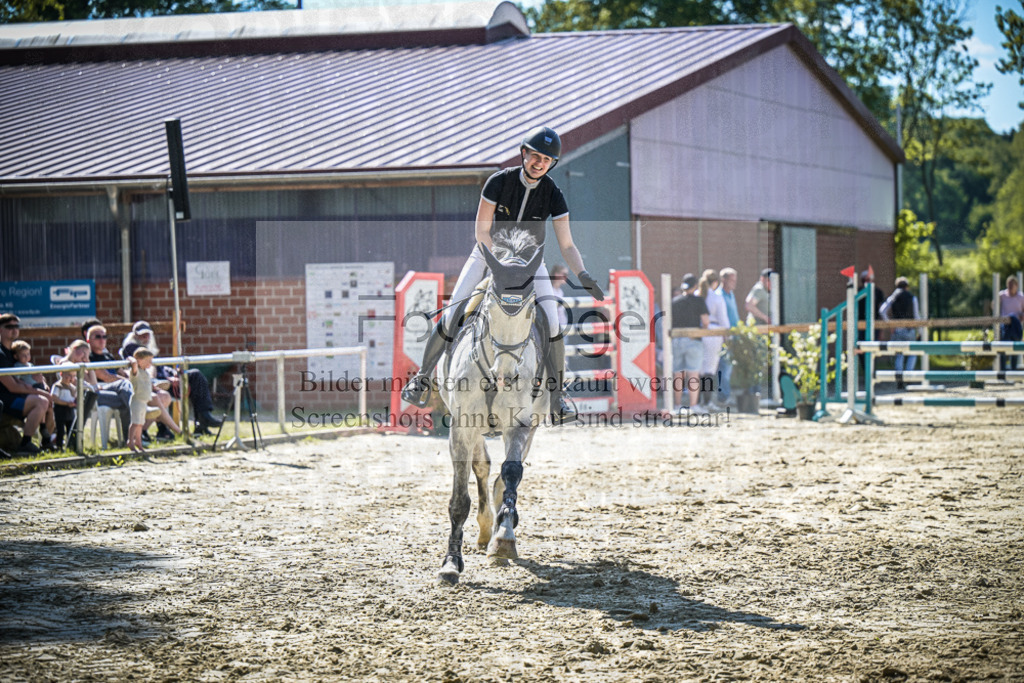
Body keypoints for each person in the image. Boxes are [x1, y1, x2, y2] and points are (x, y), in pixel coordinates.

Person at [400, 127, 605, 423]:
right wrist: (498, 262)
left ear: (552, 164)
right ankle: (421, 378)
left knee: (551, 321)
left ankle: (558, 396)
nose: (539, 163)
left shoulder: (553, 194)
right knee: (455, 309)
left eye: (546, 160)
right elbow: (481, 231)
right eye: (535, 156)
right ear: (524, 153)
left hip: (531, 264)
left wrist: (583, 274)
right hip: (487, 255)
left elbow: (567, 244)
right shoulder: (498, 181)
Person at [121, 320, 221, 435]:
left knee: (195, 376)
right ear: (135, 335)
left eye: (147, 334)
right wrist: (169, 379)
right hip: (152, 384)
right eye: (142, 334)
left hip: (164, 378)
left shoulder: (148, 347)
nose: (145, 337)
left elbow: (160, 366)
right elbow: (146, 370)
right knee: (174, 385)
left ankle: (203, 418)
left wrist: (173, 373)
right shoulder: (132, 347)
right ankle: (169, 430)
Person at [0, 314, 52, 454]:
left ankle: (50, 440)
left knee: (48, 401)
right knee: (40, 401)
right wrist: (41, 392)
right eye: (9, 327)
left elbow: (31, 371)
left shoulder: (16, 351)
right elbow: (12, 386)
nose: (14, 330)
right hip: (5, 401)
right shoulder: (1, 354)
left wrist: (42, 383)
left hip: (20, 395)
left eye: (16, 326)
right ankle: (26, 443)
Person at [86, 323, 134, 442]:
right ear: (88, 340)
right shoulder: (88, 357)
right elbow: (106, 377)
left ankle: (128, 439)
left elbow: (123, 373)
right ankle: (135, 435)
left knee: (125, 399)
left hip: (118, 393)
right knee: (128, 391)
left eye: (104, 337)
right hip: (98, 394)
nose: (102, 340)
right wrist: (129, 382)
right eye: (98, 337)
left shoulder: (108, 355)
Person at [670, 273, 708, 415]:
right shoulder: (699, 301)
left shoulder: (674, 301)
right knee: (693, 373)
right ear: (695, 286)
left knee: (678, 373)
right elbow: (705, 321)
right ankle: (693, 405)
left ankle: (677, 404)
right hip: (693, 339)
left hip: (677, 339)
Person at [11, 340, 57, 449]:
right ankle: (42, 427)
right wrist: (25, 385)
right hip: (31, 390)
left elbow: (40, 376)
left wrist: (44, 384)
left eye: (28, 354)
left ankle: (47, 439)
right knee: (42, 403)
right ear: (16, 356)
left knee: (50, 407)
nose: (27, 357)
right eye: (23, 355)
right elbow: (17, 380)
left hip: (39, 386)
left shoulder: (31, 365)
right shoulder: (17, 366)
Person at [880, 277, 921, 390]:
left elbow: (882, 311)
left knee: (899, 355)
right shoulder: (912, 298)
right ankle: (908, 377)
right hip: (909, 330)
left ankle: (899, 378)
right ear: (907, 287)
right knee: (912, 353)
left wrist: (890, 324)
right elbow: (917, 316)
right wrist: (920, 331)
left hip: (897, 329)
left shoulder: (893, 297)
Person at [698, 269, 727, 407]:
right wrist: (727, 334)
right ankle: (707, 401)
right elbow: (723, 319)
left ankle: (696, 400)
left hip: (698, 332)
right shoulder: (717, 297)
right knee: (710, 368)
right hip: (714, 331)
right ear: (715, 282)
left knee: (698, 367)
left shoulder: (698, 295)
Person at [717, 267, 740, 406]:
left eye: (735, 280)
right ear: (723, 280)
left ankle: (725, 394)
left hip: (733, 336)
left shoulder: (731, 294)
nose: (734, 283)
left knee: (728, 368)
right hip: (724, 337)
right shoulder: (719, 295)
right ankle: (723, 397)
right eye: (731, 280)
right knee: (724, 368)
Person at [127, 347, 155, 452]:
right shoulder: (136, 371)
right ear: (139, 360)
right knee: (135, 422)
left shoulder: (145, 372)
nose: (150, 364)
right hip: (137, 400)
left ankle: (138, 442)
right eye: (147, 361)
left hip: (144, 401)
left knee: (140, 423)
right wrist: (133, 359)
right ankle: (130, 441)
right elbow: (133, 362)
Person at [50, 362, 78, 450]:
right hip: (60, 410)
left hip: (70, 410)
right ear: (61, 374)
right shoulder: (58, 386)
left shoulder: (72, 387)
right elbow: (54, 398)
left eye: (73, 376)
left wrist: (74, 402)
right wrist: (66, 403)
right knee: (60, 430)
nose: (71, 378)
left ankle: (72, 445)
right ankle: (59, 445)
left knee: (71, 428)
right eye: (69, 375)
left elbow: (75, 397)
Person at [999, 276, 1023, 370]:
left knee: (1015, 348)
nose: (1010, 286)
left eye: (1012, 285)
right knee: (1003, 348)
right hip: (1005, 324)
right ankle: (1003, 371)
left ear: (1016, 286)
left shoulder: (1021, 297)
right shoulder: (1002, 295)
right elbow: (994, 306)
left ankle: (1013, 370)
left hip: (1016, 325)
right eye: (1008, 285)